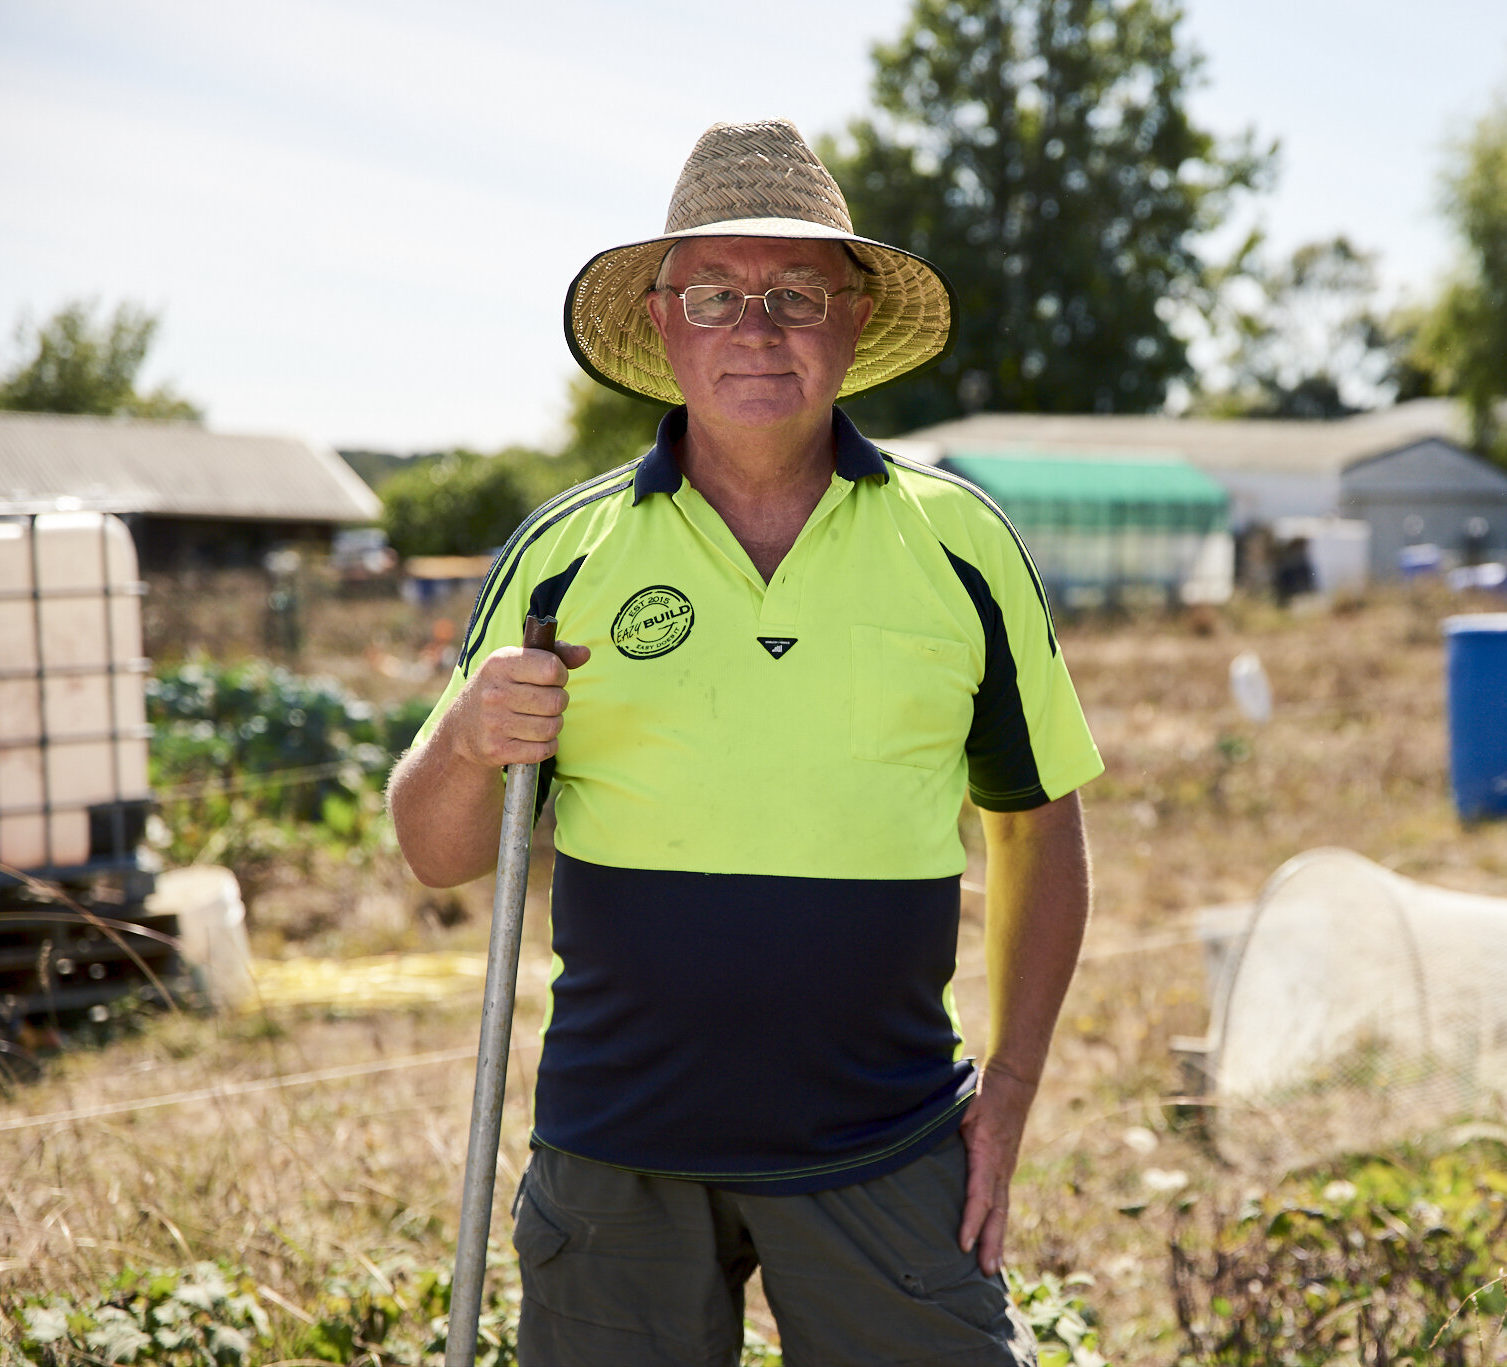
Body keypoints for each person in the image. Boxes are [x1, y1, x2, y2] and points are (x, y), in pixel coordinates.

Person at [388, 119, 1102, 1366]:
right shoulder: (564, 555)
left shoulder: (959, 545)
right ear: (663, 324)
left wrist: (1012, 1094)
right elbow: (436, 852)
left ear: (852, 317)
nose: (755, 327)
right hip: (615, 1160)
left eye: (794, 293)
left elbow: (1039, 820)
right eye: (713, 293)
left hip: (882, 1141)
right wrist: (462, 742)